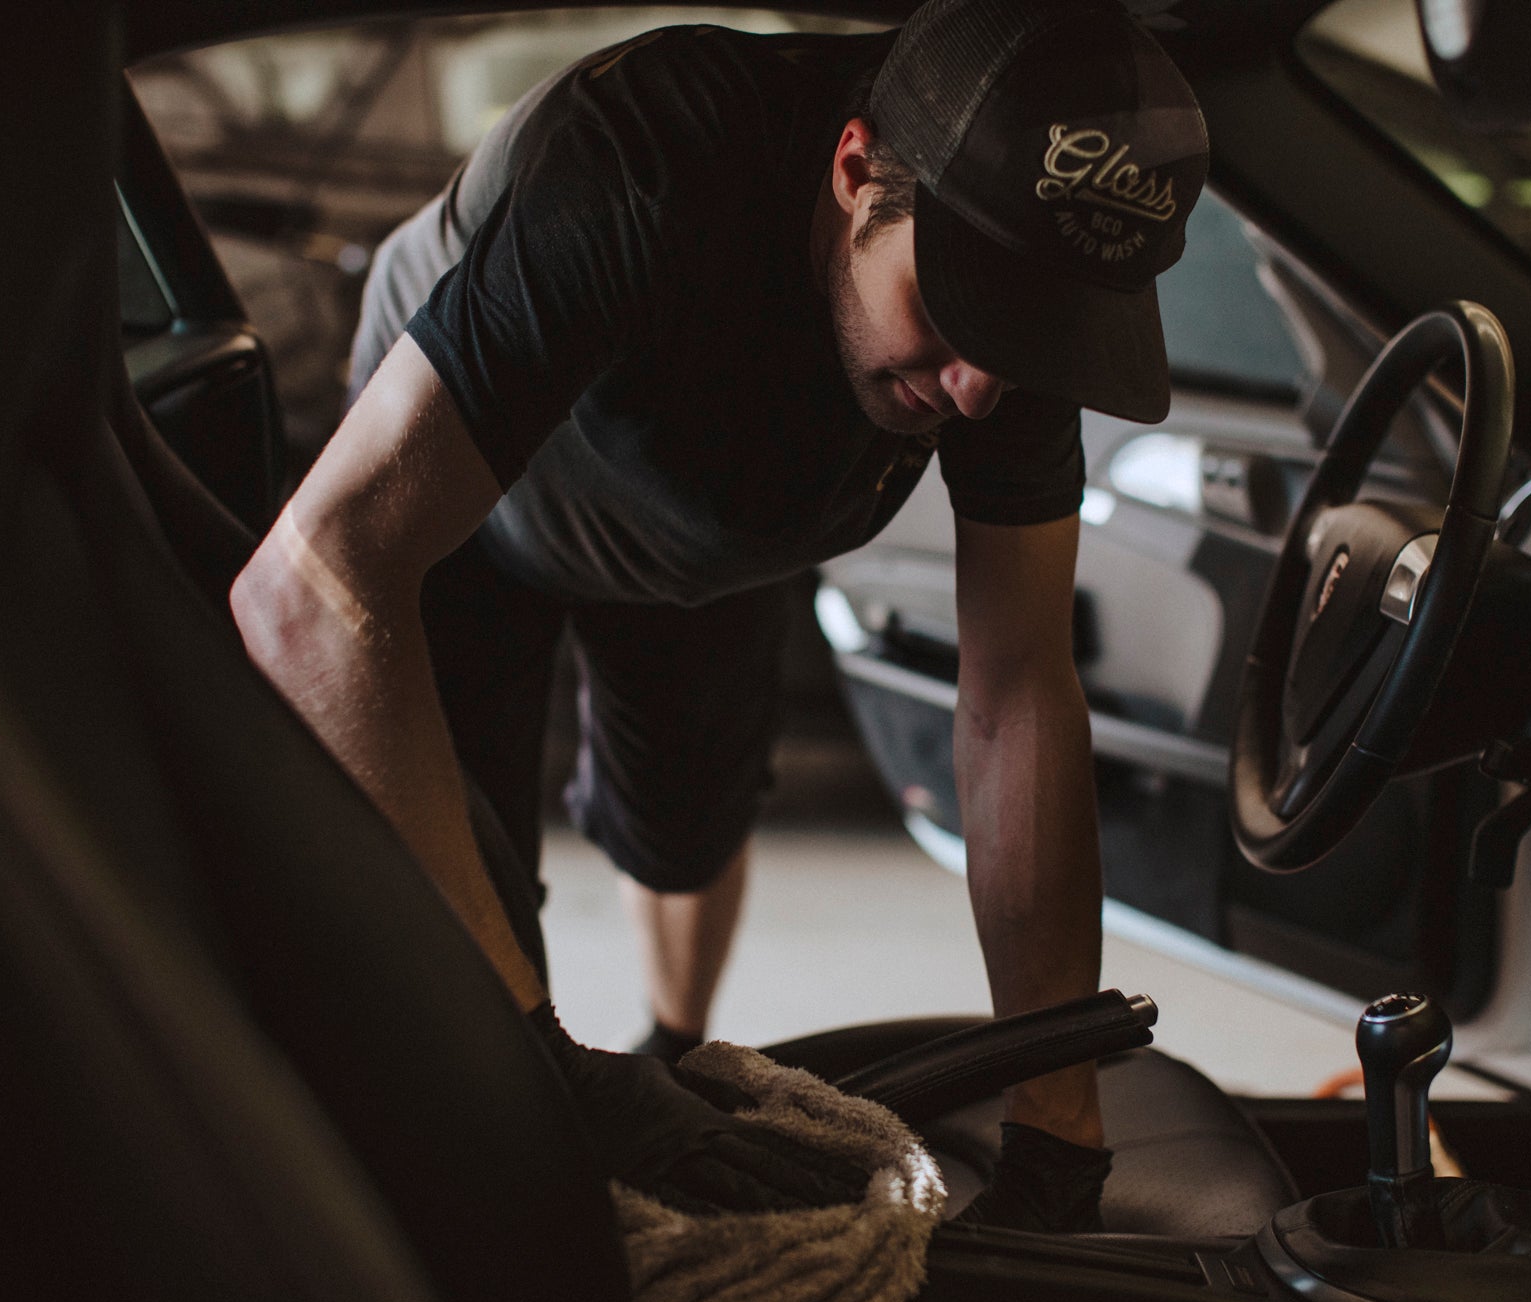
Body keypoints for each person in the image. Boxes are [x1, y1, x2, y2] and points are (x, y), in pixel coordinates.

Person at [233, 0, 1208, 1232]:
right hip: (471, 520)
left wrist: (1057, 1126)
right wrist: (545, 1059)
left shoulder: (1004, 292)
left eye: (1022, 342)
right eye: (958, 316)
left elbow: (1016, 690)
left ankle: (672, 1043)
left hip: (710, 519)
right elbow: (309, 584)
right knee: (466, 984)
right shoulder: (636, 163)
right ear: (855, 172)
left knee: (685, 826)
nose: (977, 390)